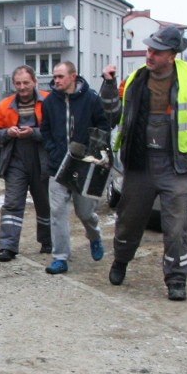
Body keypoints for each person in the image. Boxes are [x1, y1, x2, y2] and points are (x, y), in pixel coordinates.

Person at [100, 26, 187, 301]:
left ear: (172, 55)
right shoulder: (134, 79)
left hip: (175, 165)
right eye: (149, 50)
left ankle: (176, 279)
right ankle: (121, 261)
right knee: (128, 221)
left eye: (156, 51)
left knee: (176, 228)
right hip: (140, 164)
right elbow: (112, 115)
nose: (149, 55)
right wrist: (107, 85)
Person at [40, 61, 110, 275]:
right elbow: (45, 131)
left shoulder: (91, 100)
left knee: (84, 212)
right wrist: (54, 152)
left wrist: (90, 151)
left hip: (84, 167)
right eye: (55, 77)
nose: (56, 81)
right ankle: (60, 257)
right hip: (57, 167)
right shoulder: (50, 102)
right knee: (58, 213)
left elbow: (104, 127)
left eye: (60, 76)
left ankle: (95, 236)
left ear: (73, 76)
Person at [0, 65, 52, 261]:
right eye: (18, 83)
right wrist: (7, 133)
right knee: (12, 203)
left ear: (34, 81)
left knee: (45, 203)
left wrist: (34, 133)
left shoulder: (49, 102)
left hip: (42, 160)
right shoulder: (5, 105)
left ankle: (48, 242)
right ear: (14, 84)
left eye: (26, 82)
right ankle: (7, 247)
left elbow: (57, 133)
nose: (22, 87)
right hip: (15, 159)